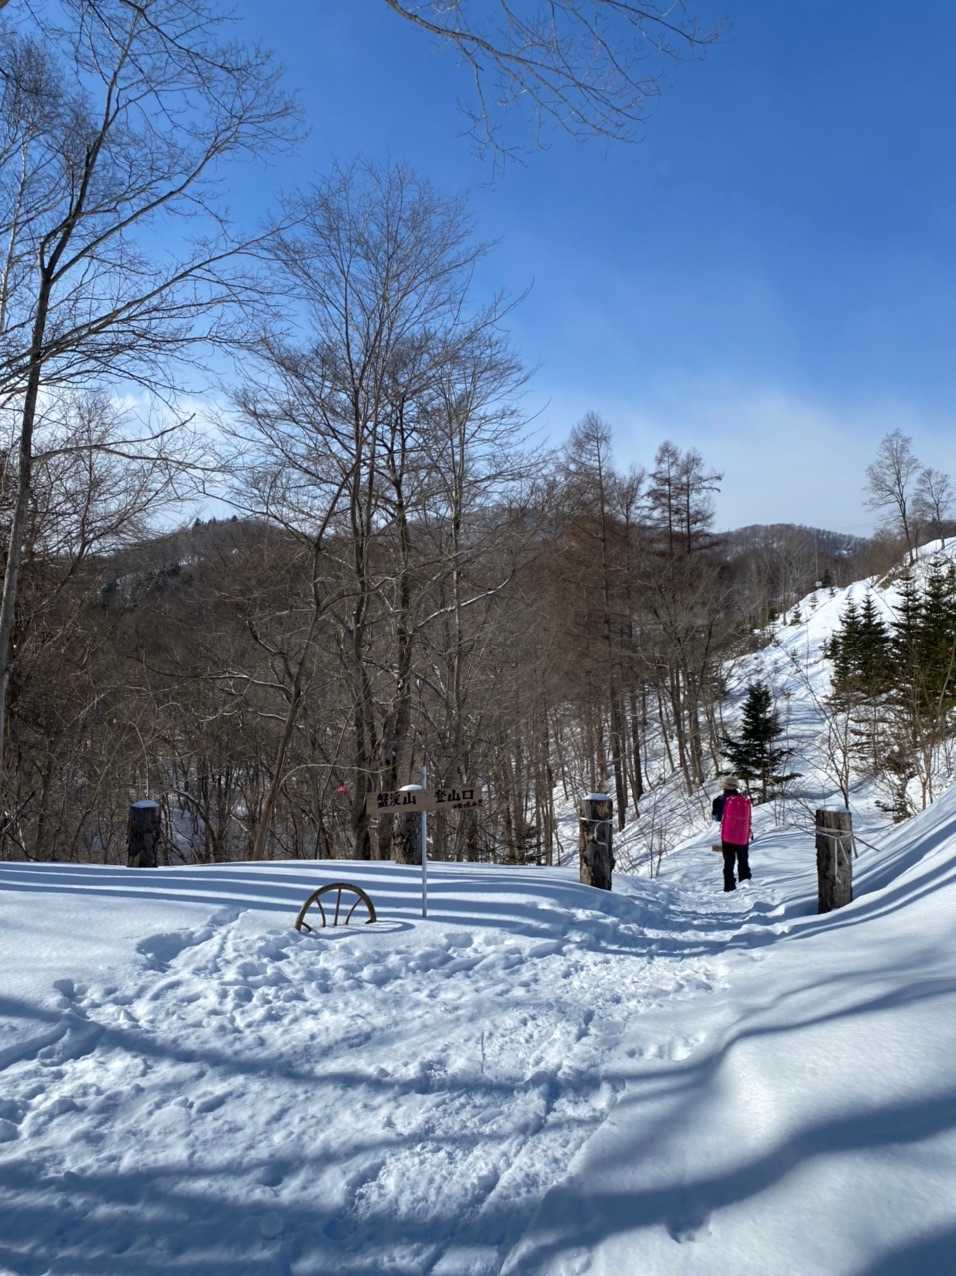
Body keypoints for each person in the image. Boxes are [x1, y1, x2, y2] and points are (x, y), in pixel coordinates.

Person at [712, 776, 752, 892]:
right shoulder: (744, 800)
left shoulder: (719, 800)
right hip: (743, 837)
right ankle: (746, 887)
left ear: (724, 787)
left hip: (728, 837)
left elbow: (716, 818)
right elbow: (749, 818)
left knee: (729, 863)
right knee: (743, 862)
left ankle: (729, 887)